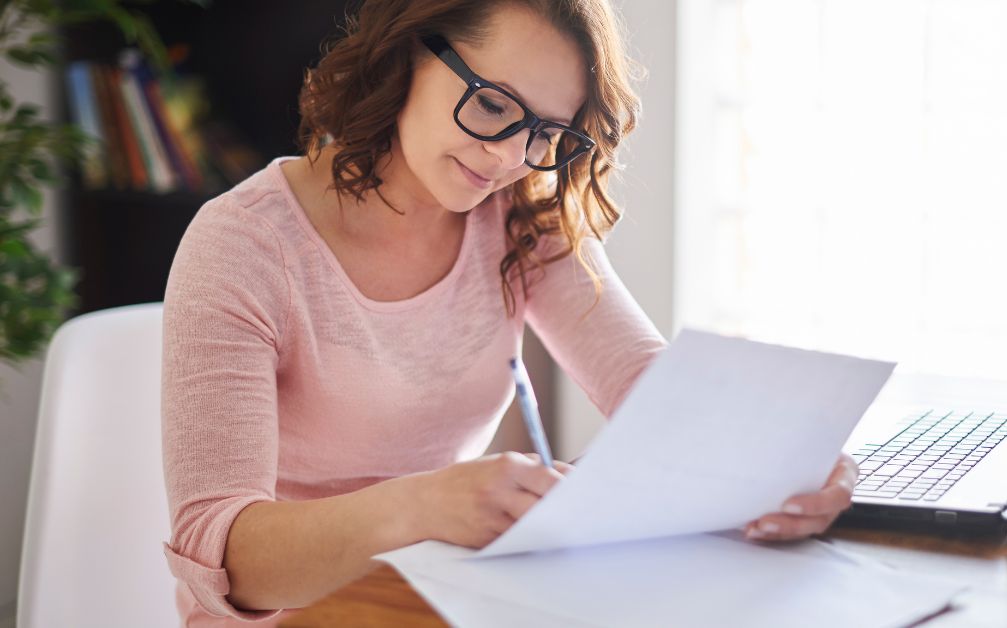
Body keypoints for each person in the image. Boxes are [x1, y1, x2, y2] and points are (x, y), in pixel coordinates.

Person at [160, 0, 859, 625]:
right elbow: (225, 556)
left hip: (447, 595)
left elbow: (656, 391)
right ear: (410, 52)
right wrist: (421, 507)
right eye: (493, 105)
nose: (507, 158)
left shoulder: (520, 220)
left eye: (544, 133)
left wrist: (791, 457)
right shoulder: (245, 244)